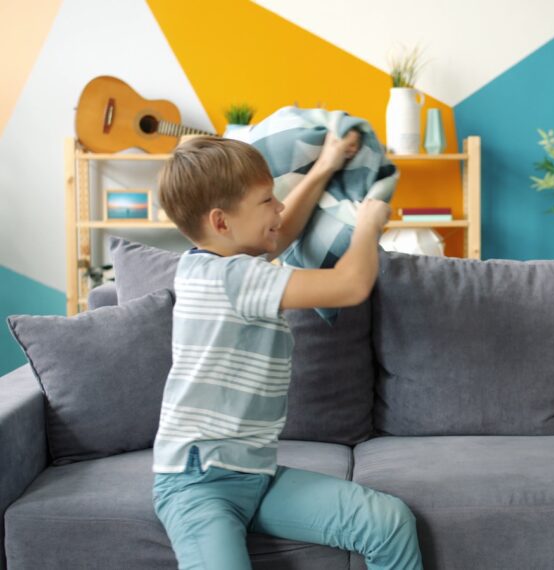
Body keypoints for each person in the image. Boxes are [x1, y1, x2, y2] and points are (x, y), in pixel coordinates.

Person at [151, 135, 423, 570]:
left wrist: (324, 167)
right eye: (266, 201)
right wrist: (368, 223)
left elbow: (280, 235)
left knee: (387, 522)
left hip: (256, 475)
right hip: (198, 484)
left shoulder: (210, 264)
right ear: (221, 222)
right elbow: (349, 286)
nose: (278, 209)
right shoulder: (234, 278)